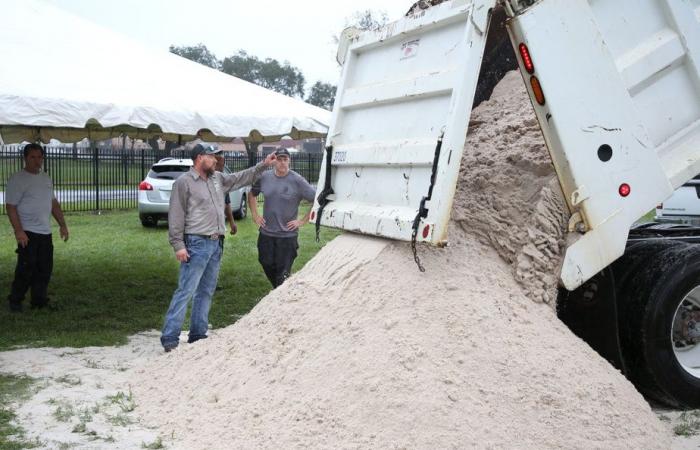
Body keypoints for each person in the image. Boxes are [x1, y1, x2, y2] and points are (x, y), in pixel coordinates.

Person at [161, 143, 275, 352]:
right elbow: (176, 216)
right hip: (196, 242)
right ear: (199, 158)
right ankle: (170, 337)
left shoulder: (217, 179)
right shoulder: (183, 183)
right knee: (186, 290)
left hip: (216, 243)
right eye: (212, 157)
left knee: (206, 291)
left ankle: (198, 334)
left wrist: (263, 165)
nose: (216, 160)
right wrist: (178, 245)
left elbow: (242, 177)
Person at [6, 143, 69, 312]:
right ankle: (15, 301)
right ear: (25, 158)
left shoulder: (45, 178)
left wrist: (62, 225)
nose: (37, 161)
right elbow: (10, 207)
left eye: (39, 157)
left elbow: (53, 203)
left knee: (44, 269)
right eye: (33, 157)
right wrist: (19, 231)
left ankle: (39, 301)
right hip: (28, 232)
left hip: (45, 232)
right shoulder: (17, 179)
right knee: (26, 268)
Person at [248, 148, 316, 288]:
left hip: (287, 236)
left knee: (282, 273)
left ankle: (281, 297)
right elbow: (252, 194)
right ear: (274, 161)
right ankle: (281, 292)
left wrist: (302, 221)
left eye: (285, 159)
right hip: (266, 234)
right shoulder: (265, 177)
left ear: (289, 161)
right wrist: (255, 215)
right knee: (265, 262)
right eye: (279, 159)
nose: (282, 163)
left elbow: (317, 200)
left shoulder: (297, 180)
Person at [213, 150, 237, 237]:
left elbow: (227, 203)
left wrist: (232, 222)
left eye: (223, 165)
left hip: (219, 230)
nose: (222, 169)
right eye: (219, 165)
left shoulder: (222, 180)